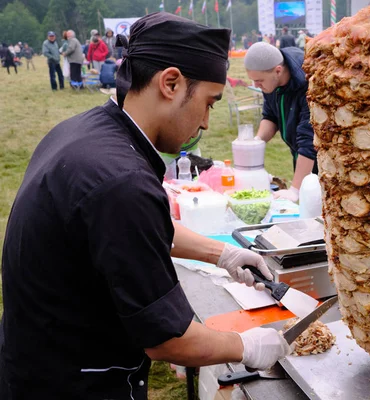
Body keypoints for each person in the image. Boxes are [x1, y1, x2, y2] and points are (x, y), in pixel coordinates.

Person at [0, 12, 290, 399]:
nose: (205, 122)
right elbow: (169, 339)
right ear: (170, 83)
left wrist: (222, 254)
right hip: (75, 380)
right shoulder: (121, 181)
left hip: (32, 358)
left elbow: (132, 230)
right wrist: (247, 346)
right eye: (208, 103)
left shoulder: (86, 131)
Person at [244, 42, 317, 202]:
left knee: (317, 207)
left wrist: (295, 189)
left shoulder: (309, 85)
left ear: (278, 70)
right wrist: (257, 142)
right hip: (299, 154)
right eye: (253, 80)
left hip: (321, 161)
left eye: (259, 80)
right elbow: (270, 116)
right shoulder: (271, 83)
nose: (256, 85)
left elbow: (309, 140)